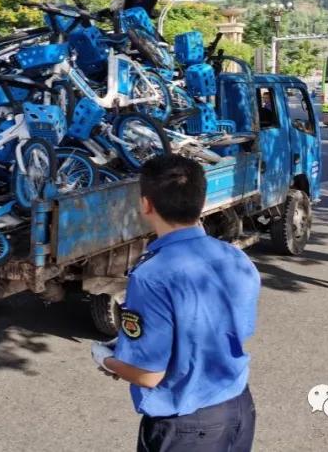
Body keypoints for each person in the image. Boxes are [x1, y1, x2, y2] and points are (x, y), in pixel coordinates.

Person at [90, 155, 260, 452]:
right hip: (238, 409)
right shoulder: (234, 256)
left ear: (146, 205)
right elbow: (232, 331)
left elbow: (148, 374)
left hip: (187, 429)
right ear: (201, 199)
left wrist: (106, 360)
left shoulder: (152, 276)